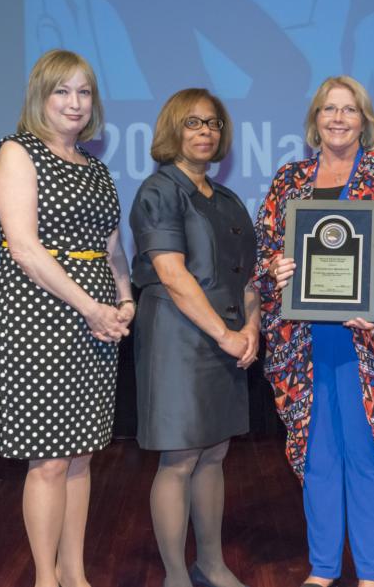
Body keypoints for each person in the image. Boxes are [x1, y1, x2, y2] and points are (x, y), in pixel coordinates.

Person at [254, 76, 374, 587]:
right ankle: (323, 569)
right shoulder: (289, 180)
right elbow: (265, 249)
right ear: (314, 119)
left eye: (349, 110)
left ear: (364, 120)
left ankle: (372, 572)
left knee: (368, 450)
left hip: (369, 339)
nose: (338, 118)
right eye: (329, 109)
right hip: (304, 341)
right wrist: (278, 267)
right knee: (316, 453)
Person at [0, 49, 134, 587]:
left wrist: (125, 300)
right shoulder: (18, 152)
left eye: (84, 92)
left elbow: (113, 251)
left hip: (97, 322)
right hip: (40, 319)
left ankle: (76, 575)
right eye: (62, 91)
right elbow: (24, 247)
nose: (75, 103)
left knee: (81, 457)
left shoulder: (94, 167)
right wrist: (91, 307)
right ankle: (46, 579)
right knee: (47, 460)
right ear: (40, 98)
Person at [129, 88, 259, 587]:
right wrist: (225, 335)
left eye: (213, 124)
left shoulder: (226, 199)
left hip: (226, 335)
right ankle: (176, 575)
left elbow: (249, 277)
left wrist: (250, 328)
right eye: (193, 123)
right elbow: (173, 274)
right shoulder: (159, 190)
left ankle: (212, 563)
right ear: (172, 131)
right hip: (177, 339)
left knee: (216, 453)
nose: (205, 132)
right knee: (180, 456)